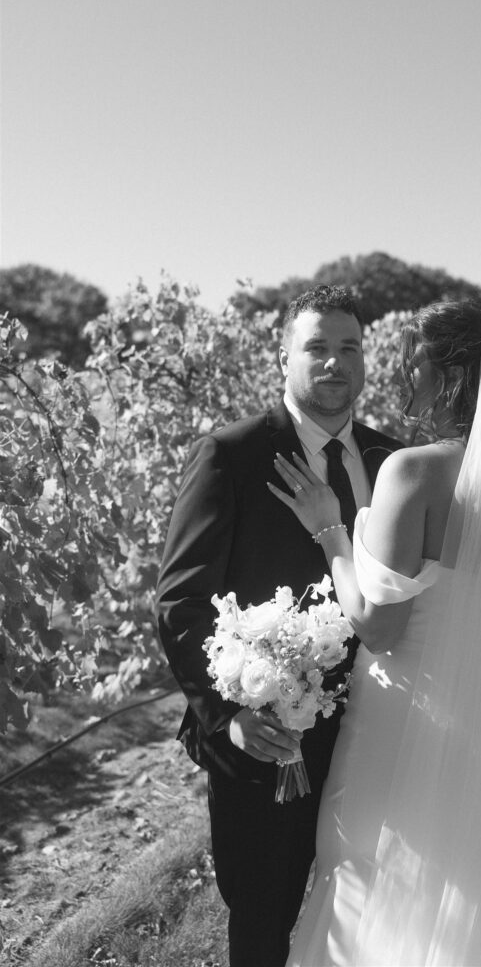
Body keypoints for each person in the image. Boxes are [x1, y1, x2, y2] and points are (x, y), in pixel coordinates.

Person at [269, 301, 481, 966]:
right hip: (477, 719)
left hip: (401, 719)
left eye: (415, 358)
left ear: (448, 372)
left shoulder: (415, 469)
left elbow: (379, 626)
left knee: (373, 871)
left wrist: (331, 533)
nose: (405, 369)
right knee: (457, 876)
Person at [155, 285, 401, 967]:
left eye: (348, 347)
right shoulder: (230, 454)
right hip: (268, 740)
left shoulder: (392, 461)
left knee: (372, 916)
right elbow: (180, 600)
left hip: (380, 735)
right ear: (283, 357)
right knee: (263, 920)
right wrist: (225, 717)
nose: (333, 363)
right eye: (316, 347)